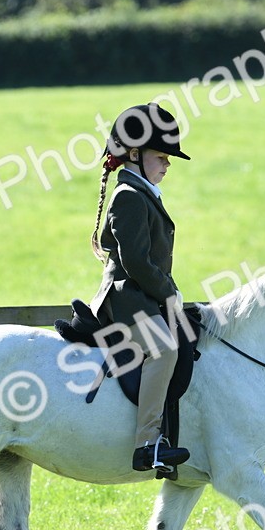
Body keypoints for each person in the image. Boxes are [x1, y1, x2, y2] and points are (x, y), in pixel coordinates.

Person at [89, 103, 192, 474]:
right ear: (134, 154)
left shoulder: (142, 192)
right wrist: (169, 293)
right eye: (161, 156)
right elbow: (135, 262)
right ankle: (147, 445)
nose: (167, 164)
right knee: (164, 350)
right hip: (126, 299)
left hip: (142, 297)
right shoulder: (129, 196)